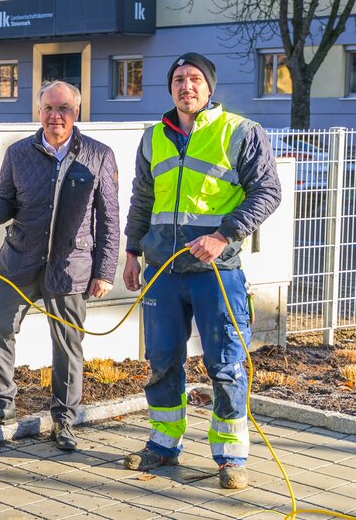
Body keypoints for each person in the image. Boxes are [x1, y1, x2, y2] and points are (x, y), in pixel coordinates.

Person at [122, 53, 281, 489]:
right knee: (161, 360)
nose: (186, 86)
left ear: (209, 88)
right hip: (162, 270)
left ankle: (230, 457)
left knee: (226, 362)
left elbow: (268, 191)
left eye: (195, 79)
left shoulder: (241, 132)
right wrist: (133, 251)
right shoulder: (154, 137)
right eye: (178, 79)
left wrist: (224, 235)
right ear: (170, 87)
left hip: (216, 271)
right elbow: (142, 197)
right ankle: (163, 443)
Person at [0, 81, 119, 453]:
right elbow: (5, 201)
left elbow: (109, 217)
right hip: (18, 260)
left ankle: (64, 418)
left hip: (71, 266)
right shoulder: (19, 153)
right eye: (48, 108)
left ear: (76, 112)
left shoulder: (98, 155)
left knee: (68, 343)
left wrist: (105, 271)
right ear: (38, 112)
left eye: (63, 108)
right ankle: (1, 404)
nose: (55, 116)